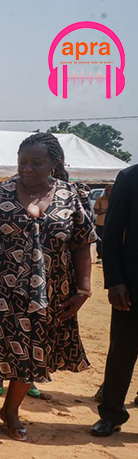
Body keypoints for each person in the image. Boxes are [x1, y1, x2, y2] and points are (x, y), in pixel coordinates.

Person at [0, 133, 94, 442]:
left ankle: (12, 411)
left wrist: (83, 290)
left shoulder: (72, 196)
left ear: (54, 163)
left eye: (36, 163)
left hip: (50, 293)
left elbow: (82, 244)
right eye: (23, 162)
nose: (27, 168)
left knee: (34, 351)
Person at [92, 164, 138, 437]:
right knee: (122, 350)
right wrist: (115, 281)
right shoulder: (130, 178)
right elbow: (110, 233)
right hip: (132, 284)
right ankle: (111, 414)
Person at [93, 185, 111, 264]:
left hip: (110, 224)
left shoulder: (115, 199)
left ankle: (109, 256)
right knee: (99, 241)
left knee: (110, 240)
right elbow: (96, 211)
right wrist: (107, 210)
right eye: (107, 190)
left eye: (110, 191)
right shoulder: (100, 199)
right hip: (100, 223)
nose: (108, 192)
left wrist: (103, 210)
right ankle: (100, 256)